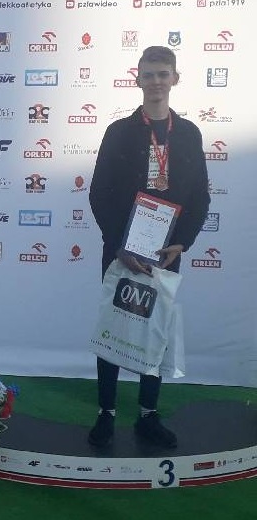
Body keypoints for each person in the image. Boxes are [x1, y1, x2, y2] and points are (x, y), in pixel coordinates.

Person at [88, 45, 209, 448]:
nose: (156, 81)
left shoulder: (189, 134)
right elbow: (99, 192)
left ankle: (147, 415)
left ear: (175, 78)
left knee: (155, 331)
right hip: (121, 250)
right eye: (149, 74)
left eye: (163, 74)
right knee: (114, 328)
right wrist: (120, 246)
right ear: (137, 79)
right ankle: (106, 413)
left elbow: (201, 196)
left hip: (165, 253)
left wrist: (182, 243)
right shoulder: (118, 132)